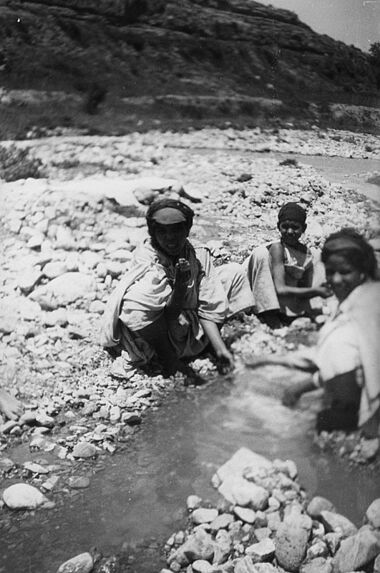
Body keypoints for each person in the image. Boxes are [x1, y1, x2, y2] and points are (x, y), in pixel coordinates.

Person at [100, 198, 254, 384]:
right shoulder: (147, 258)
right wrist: (181, 285)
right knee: (137, 299)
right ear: (153, 233)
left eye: (176, 230)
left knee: (233, 273)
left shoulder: (197, 253)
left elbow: (209, 302)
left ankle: (211, 344)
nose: (170, 237)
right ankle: (169, 360)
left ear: (187, 230)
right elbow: (168, 315)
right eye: (162, 232)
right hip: (162, 332)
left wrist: (221, 350)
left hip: (192, 322)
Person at [246, 228, 380, 436]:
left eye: (345, 272)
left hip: (367, 421)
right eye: (330, 272)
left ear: (362, 270)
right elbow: (332, 360)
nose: (335, 280)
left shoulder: (368, 310)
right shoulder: (347, 303)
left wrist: (301, 387)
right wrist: (271, 360)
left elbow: (357, 370)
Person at [243, 202, 331, 327]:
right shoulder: (277, 248)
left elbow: (304, 283)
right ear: (278, 226)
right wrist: (316, 291)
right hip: (265, 293)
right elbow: (281, 289)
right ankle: (269, 313)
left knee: (318, 256)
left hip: (288, 295)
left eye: (295, 227)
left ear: (304, 229)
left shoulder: (305, 253)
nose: (290, 231)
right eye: (285, 226)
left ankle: (304, 311)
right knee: (261, 254)